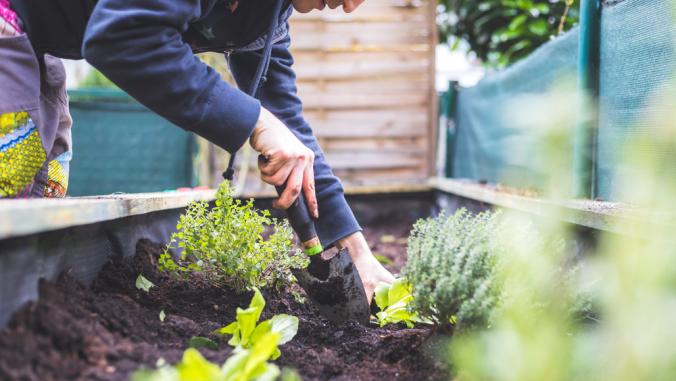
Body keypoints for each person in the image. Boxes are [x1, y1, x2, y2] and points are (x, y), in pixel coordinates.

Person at [0, 0, 394, 301]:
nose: (351, 5)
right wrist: (256, 122)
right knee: (8, 185)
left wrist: (354, 248)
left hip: (39, 39)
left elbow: (288, 128)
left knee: (41, 194)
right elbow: (122, 37)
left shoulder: (267, 14)